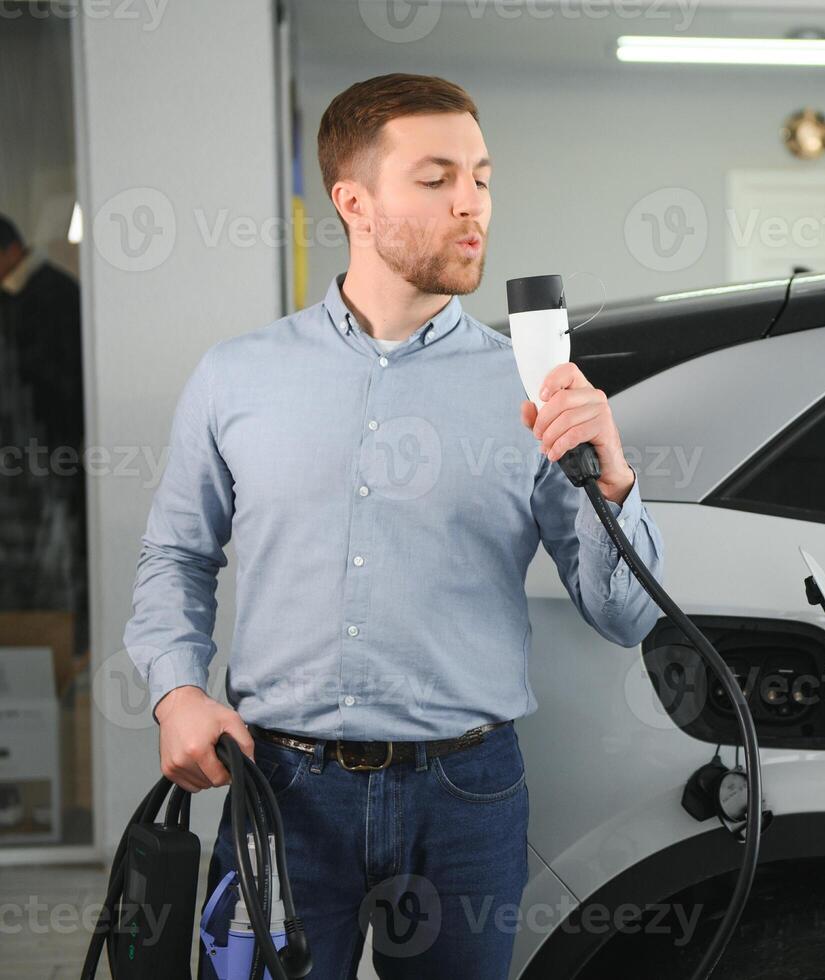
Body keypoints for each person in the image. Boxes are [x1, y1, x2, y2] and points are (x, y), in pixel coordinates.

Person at [122, 73, 664, 979]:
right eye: (436, 177)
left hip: (467, 795)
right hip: (282, 791)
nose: (472, 205)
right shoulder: (235, 377)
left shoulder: (532, 389)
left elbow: (627, 616)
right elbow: (176, 553)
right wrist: (175, 688)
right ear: (355, 202)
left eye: (482, 178)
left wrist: (612, 479)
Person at [0, 214, 87, 653]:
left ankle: (60, 657)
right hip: (26, 467)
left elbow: (62, 389)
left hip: (50, 461)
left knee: (57, 567)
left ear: (10, 252)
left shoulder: (51, 296)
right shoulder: (24, 294)